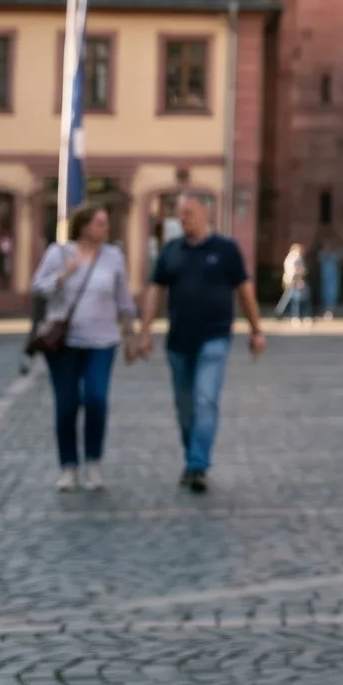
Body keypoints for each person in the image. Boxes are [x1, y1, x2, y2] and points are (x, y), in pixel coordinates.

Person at [134, 196, 265, 492]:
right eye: (180, 214)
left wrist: (257, 329)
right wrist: (145, 332)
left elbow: (245, 291)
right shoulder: (171, 252)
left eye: (189, 213)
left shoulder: (226, 250)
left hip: (215, 339)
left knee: (205, 400)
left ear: (206, 213)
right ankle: (192, 455)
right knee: (185, 407)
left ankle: (197, 465)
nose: (183, 219)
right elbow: (155, 292)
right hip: (179, 341)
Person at [31, 204, 141, 492]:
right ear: (84, 226)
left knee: (96, 398)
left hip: (102, 342)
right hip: (64, 344)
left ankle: (93, 461)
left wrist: (131, 336)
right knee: (66, 406)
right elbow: (38, 288)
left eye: (106, 223)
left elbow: (123, 299)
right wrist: (62, 276)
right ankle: (68, 467)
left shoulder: (114, 256)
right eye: (100, 223)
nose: (105, 228)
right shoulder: (58, 253)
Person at [275, 242, 308, 323]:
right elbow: (296, 270)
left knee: (288, 298)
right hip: (294, 281)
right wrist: (300, 278)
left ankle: (279, 312)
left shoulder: (289, 257)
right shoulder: (296, 258)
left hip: (288, 279)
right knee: (294, 300)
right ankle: (294, 316)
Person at [317, 239, 343, 321]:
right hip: (324, 278)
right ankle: (325, 310)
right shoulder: (322, 255)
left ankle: (330, 311)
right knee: (324, 294)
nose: (328, 247)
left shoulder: (334, 255)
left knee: (332, 294)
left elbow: (341, 253)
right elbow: (319, 258)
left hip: (333, 278)